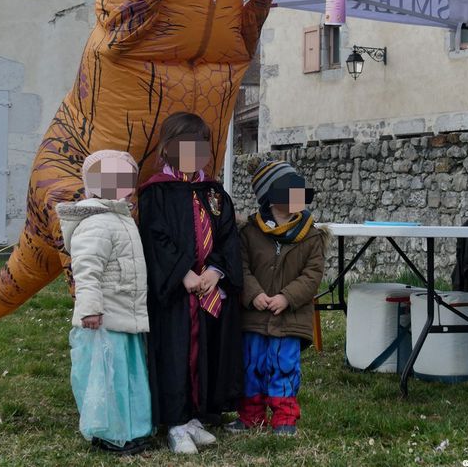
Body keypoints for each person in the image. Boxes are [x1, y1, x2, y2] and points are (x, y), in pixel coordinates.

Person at [138, 112, 243, 455]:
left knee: (206, 351)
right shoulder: (157, 193)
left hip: (209, 290)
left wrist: (215, 272)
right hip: (175, 294)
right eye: (185, 146)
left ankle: (197, 415)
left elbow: (228, 236)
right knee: (176, 353)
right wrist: (185, 274)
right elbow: (156, 238)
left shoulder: (213, 192)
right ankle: (176, 422)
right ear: (167, 149)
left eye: (199, 146)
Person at [56, 149, 153, 456]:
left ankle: (134, 429)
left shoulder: (119, 218)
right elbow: (86, 269)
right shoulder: (96, 222)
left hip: (125, 313)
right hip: (105, 316)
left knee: (129, 376)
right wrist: (90, 309)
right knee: (108, 377)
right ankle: (111, 432)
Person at [227, 159, 329, 436]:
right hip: (255, 317)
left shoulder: (312, 236)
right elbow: (242, 267)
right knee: (252, 366)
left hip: (290, 317)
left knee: (284, 367)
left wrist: (286, 297)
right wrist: (254, 294)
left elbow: (312, 275)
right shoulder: (249, 233)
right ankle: (251, 416)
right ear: (270, 197)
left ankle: (284, 418)